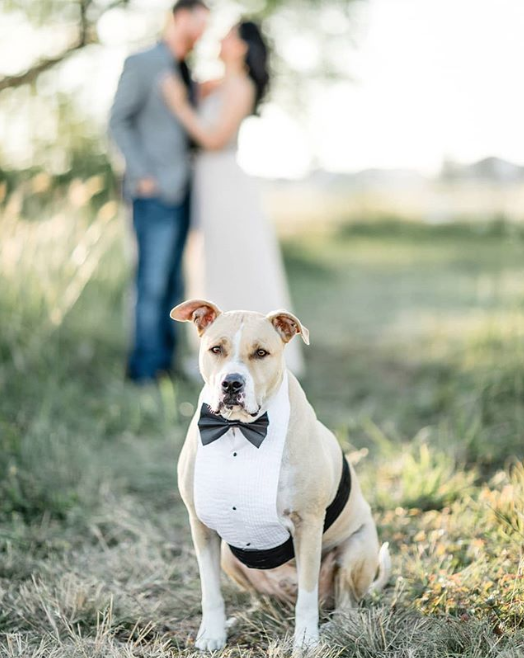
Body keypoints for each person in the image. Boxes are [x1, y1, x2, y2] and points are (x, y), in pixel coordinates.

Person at [162, 21, 305, 376]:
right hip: (206, 182)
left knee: (231, 260)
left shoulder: (241, 86)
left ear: (241, 47)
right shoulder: (219, 84)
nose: (221, 40)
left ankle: (255, 349)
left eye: (228, 36)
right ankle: (218, 349)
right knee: (209, 260)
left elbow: (215, 139)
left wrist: (180, 108)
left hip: (224, 181)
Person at [109, 0, 209, 384]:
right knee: (150, 283)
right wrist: (142, 173)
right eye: (198, 22)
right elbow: (118, 120)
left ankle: (164, 363)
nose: (201, 32)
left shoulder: (186, 70)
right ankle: (143, 370)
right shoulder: (143, 63)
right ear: (178, 18)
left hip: (184, 192)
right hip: (152, 191)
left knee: (173, 282)